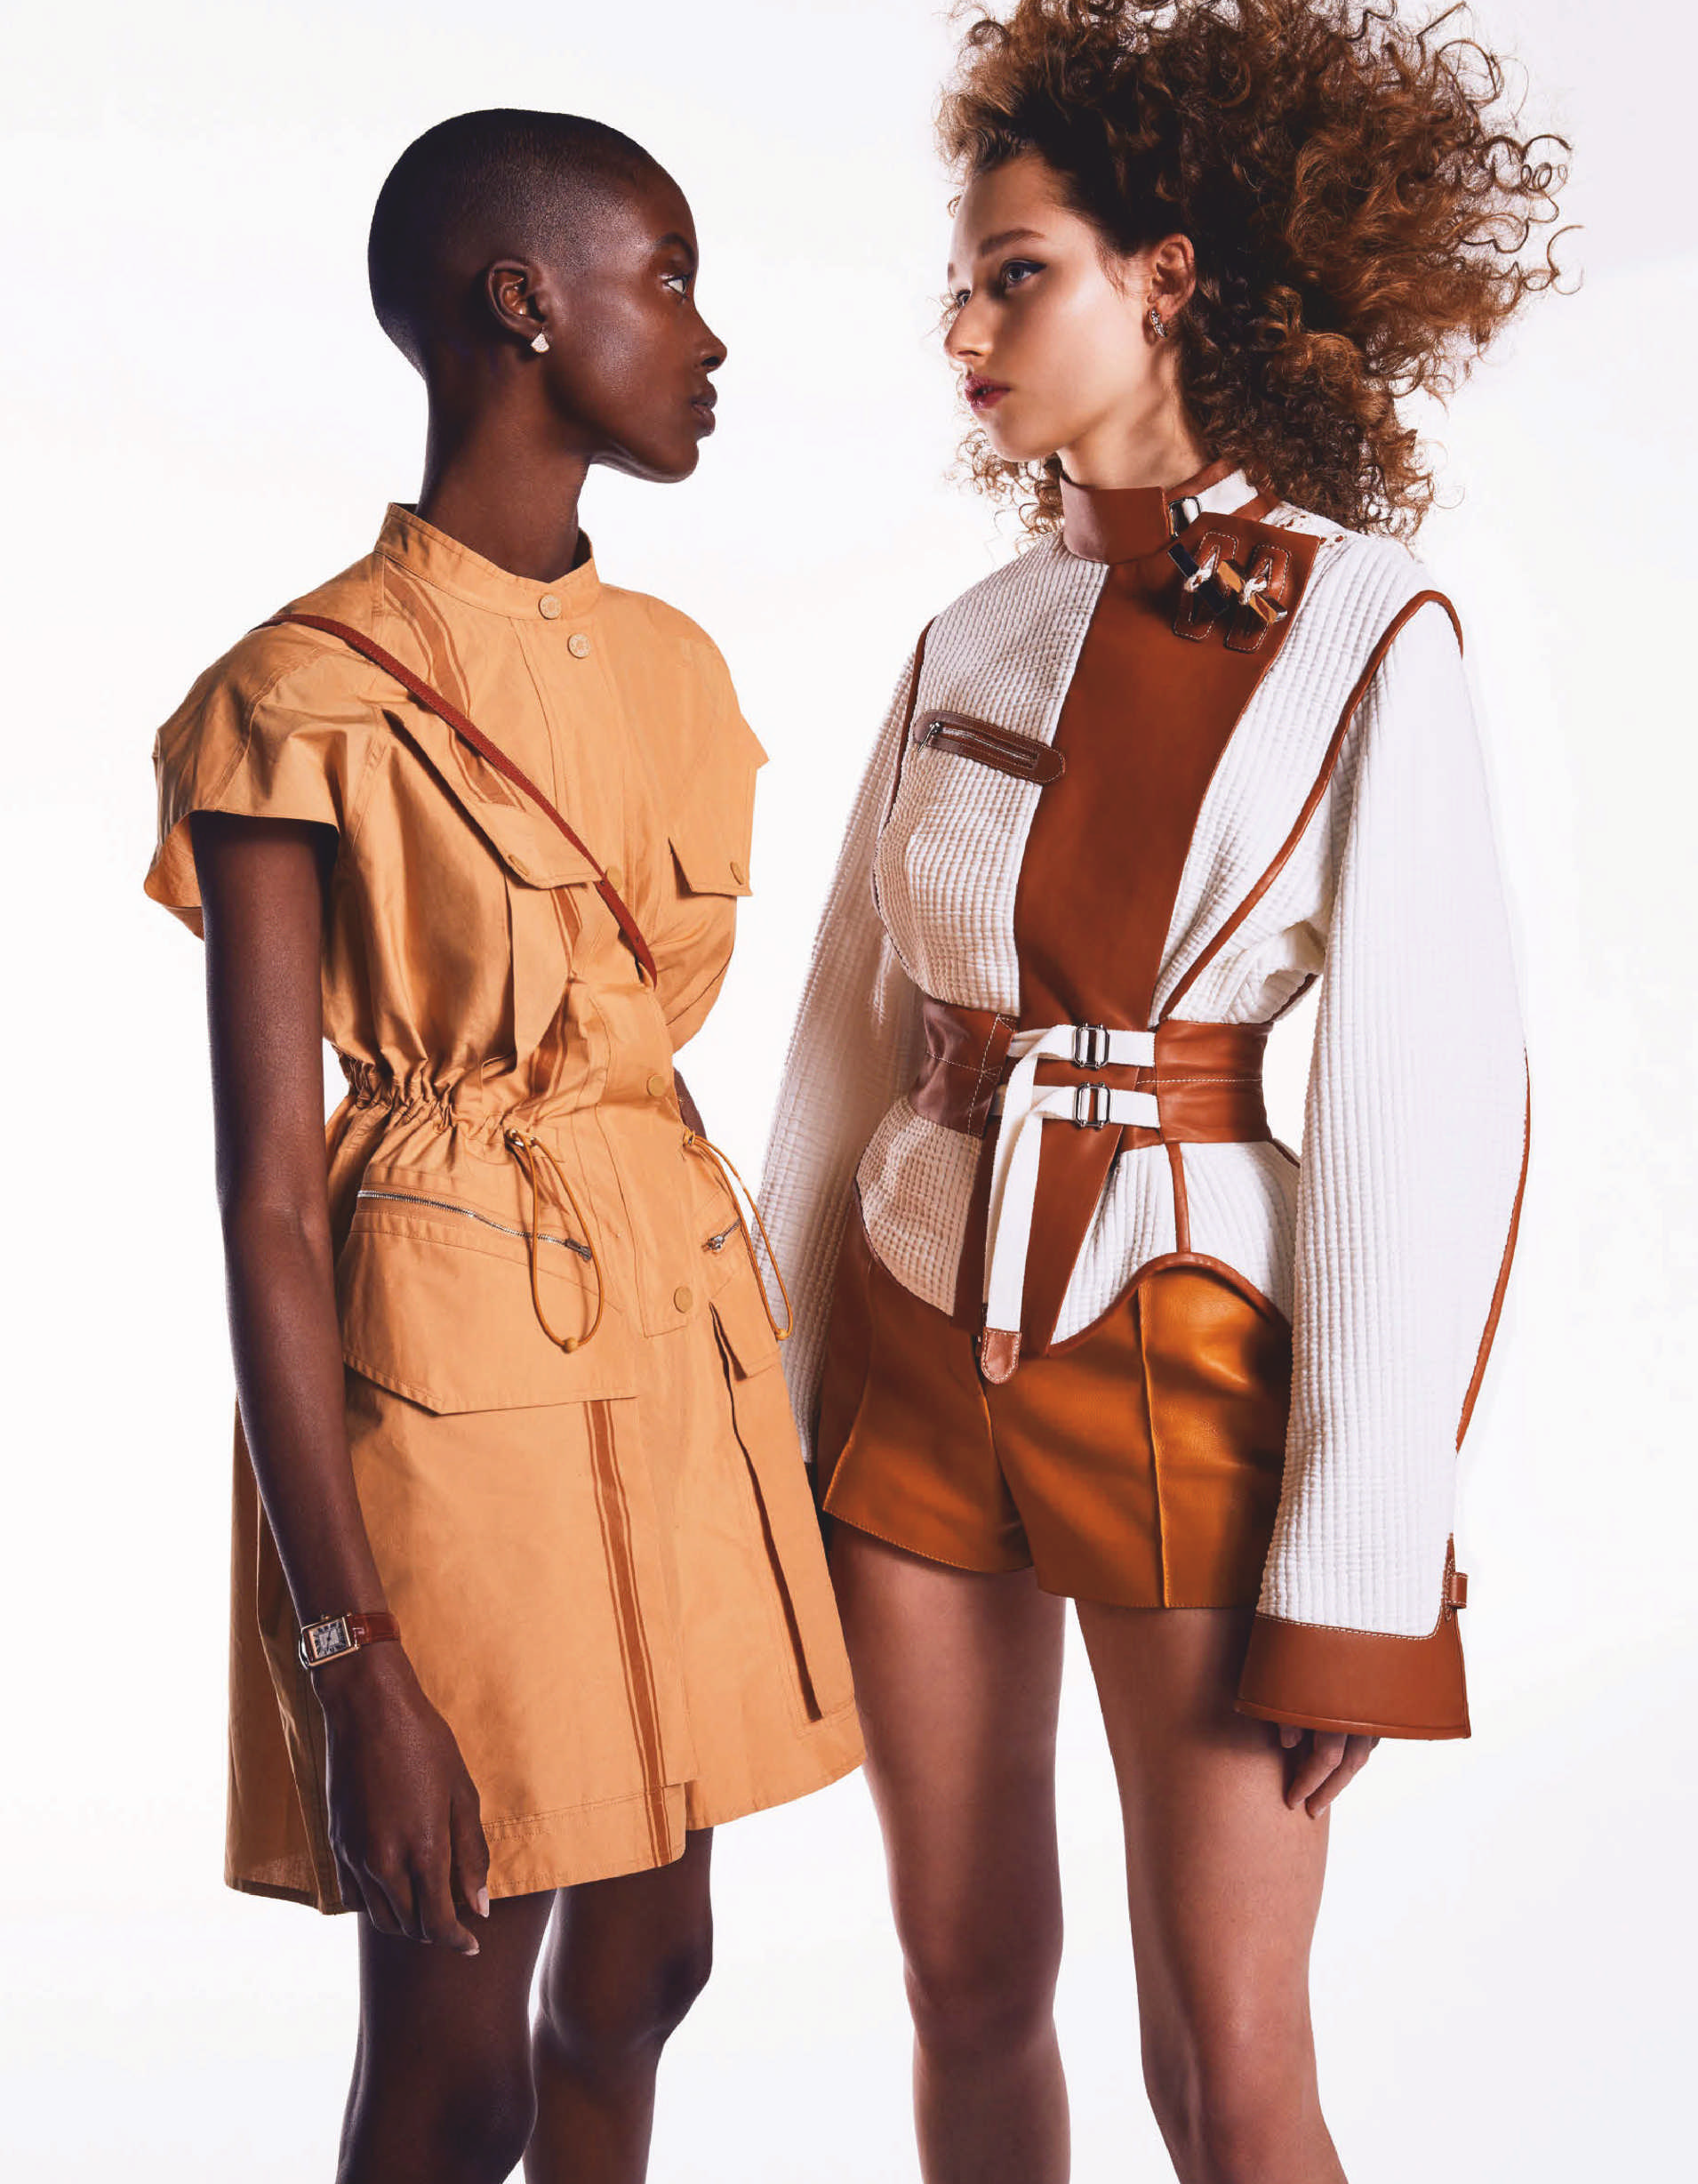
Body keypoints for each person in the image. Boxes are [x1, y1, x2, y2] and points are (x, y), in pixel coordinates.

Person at [757, 4, 1561, 2179]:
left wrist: (1361, 1581)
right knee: (962, 1987)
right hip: (908, 1349)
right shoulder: (967, 635)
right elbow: (844, 1035)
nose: (962, 331)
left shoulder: (1366, 626)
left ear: (1168, 276)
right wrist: (764, 1400)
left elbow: (1427, 1108)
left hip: (1182, 1362)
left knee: (1225, 2067)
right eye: (958, 285)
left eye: (1012, 276)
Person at [144, 108, 860, 2184]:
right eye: (670, 278)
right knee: (457, 2060)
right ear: (525, 302)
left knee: (648, 1972)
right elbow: (269, 1206)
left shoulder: (680, 673)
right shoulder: (299, 697)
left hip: (678, 1344)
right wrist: (350, 1655)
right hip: (447, 1388)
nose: (707, 338)